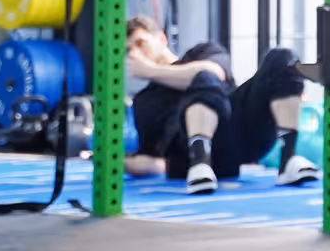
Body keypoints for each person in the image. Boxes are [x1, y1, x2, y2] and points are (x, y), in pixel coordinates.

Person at [124, 15, 319, 194]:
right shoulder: (144, 102)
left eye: (141, 43)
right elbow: (155, 161)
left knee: (282, 58)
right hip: (191, 156)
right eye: (128, 51)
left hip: (240, 130)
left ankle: (288, 159)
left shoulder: (203, 52)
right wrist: (115, 161)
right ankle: (200, 161)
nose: (136, 54)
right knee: (201, 80)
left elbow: (213, 72)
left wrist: (150, 70)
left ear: (162, 39)